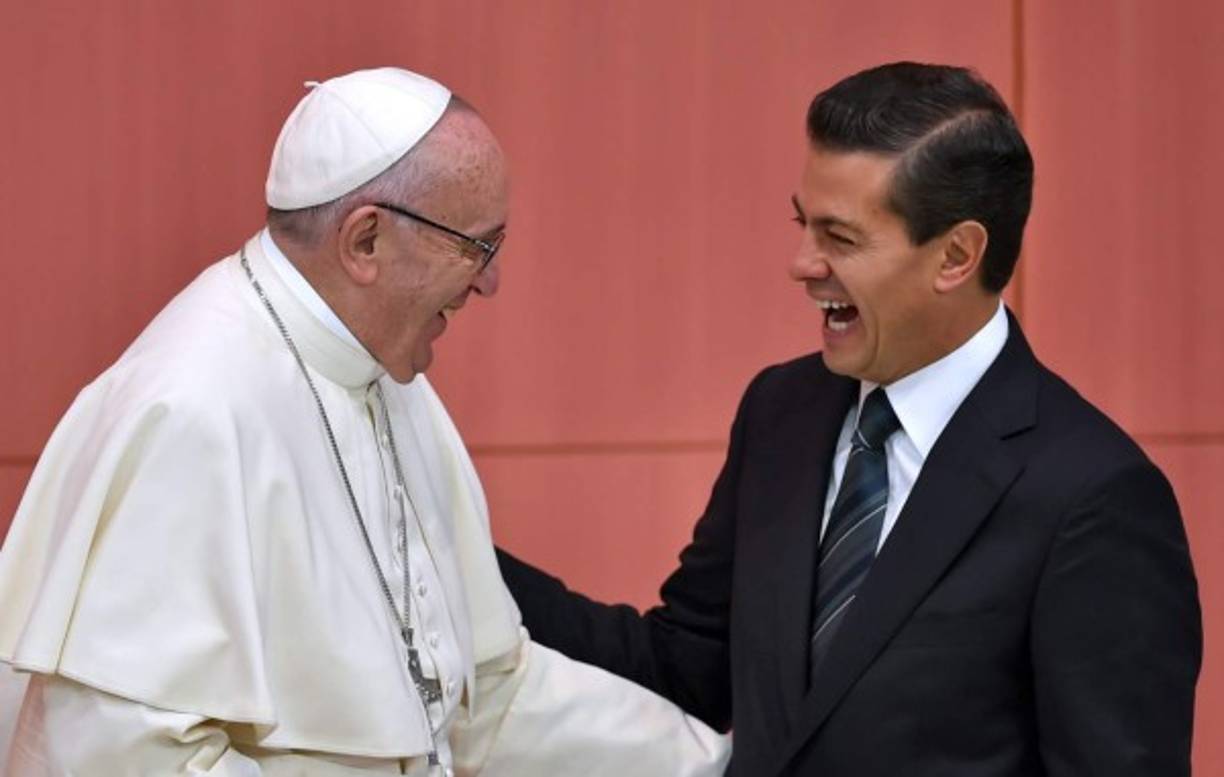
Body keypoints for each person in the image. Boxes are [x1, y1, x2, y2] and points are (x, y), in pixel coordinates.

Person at [0, 67, 730, 775]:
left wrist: (717, 765)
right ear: (366, 242)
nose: (490, 279)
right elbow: (122, 754)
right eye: (478, 246)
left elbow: (483, 695)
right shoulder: (192, 411)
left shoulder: (382, 372)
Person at [496, 61, 1202, 776]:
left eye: (841, 237)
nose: (803, 265)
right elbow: (687, 668)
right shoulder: (780, 412)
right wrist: (457, 555)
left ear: (957, 255)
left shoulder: (1092, 494)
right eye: (804, 224)